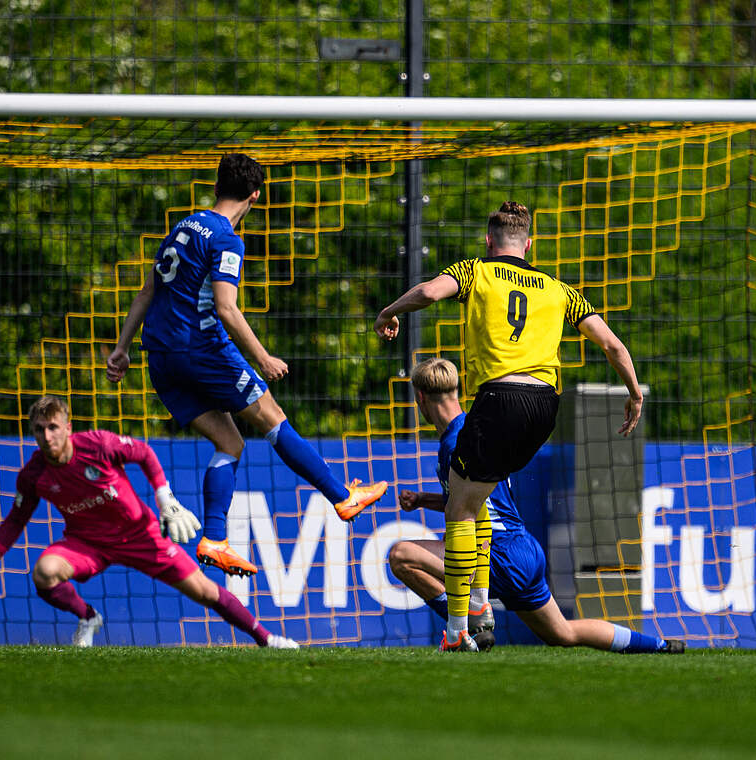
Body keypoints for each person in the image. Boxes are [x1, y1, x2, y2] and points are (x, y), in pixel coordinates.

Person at [374, 201, 643, 652]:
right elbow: (613, 344)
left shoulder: (474, 271)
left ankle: (460, 627)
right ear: (529, 244)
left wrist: (388, 312)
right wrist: (633, 392)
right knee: (475, 498)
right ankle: (477, 603)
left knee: (461, 506)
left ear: (488, 241)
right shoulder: (560, 289)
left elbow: (428, 292)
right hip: (544, 407)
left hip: (500, 398)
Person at [107, 153, 388, 577]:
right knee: (272, 418)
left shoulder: (182, 227)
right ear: (255, 196)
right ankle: (341, 497)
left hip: (160, 357)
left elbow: (148, 290)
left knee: (230, 443)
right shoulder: (225, 238)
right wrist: (263, 357)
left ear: (217, 187)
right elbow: (225, 307)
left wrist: (121, 348)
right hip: (201, 349)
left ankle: (215, 539)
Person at [0, 395, 299, 649]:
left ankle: (267, 639)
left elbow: (145, 454)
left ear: (68, 428)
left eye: (53, 428)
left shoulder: (98, 445)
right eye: (40, 430)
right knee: (44, 572)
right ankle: (88, 617)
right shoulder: (33, 475)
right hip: (86, 544)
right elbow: (15, 520)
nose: (47, 437)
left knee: (206, 592)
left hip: (141, 535)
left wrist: (166, 501)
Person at [391, 358, 684, 653]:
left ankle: (467, 624)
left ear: (420, 397)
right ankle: (660, 645)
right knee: (563, 633)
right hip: (524, 552)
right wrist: (423, 500)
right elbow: (473, 503)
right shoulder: (478, 431)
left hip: (497, 552)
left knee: (401, 556)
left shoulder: (456, 443)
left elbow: (470, 511)